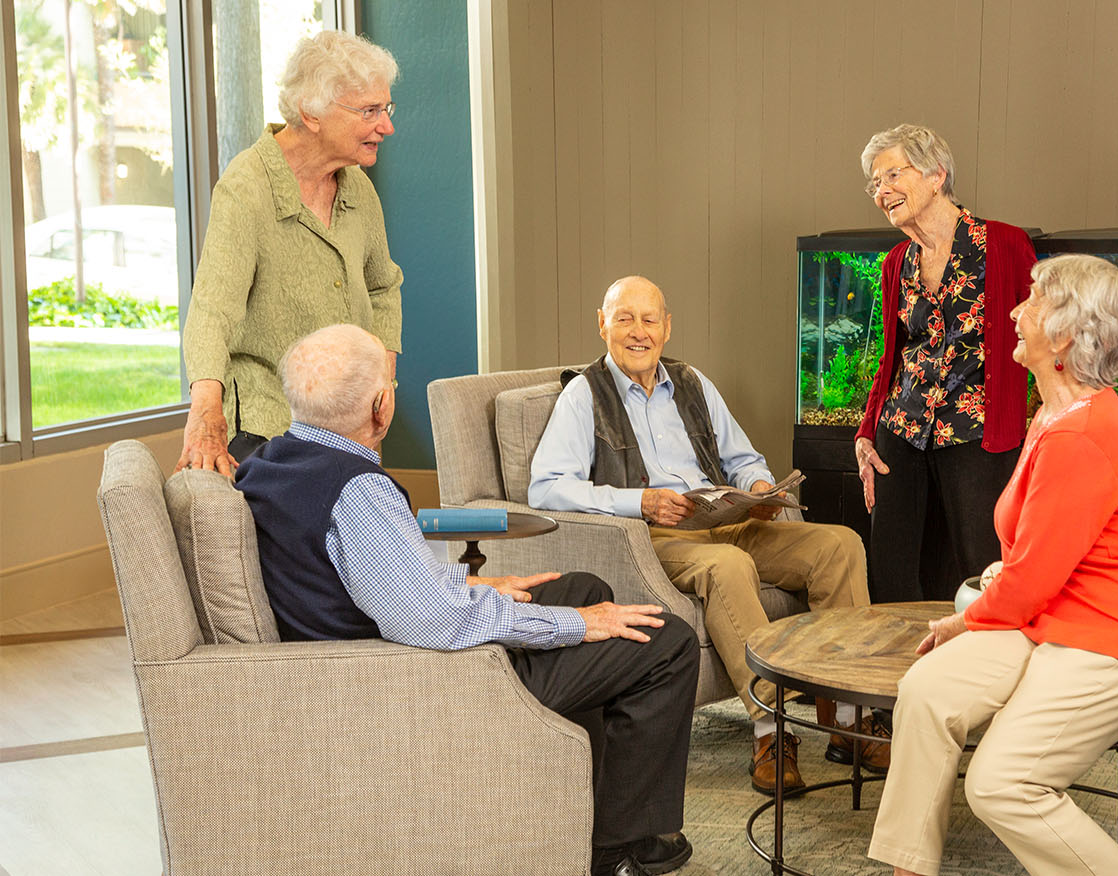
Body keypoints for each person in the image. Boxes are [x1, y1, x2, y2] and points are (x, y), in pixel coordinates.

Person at [235, 324, 698, 876]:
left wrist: (472, 586)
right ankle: (616, 848)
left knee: (584, 587)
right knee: (666, 639)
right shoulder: (357, 489)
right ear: (382, 406)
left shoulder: (270, 461)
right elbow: (434, 624)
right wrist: (573, 625)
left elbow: (367, 581)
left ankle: (581, 809)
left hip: (373, 657)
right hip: (420, 684)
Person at [866, 254, 1118, 876]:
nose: (1014, 313)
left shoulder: (1079, 434)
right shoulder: (1052, 414)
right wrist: (1001, 584)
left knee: (1000, 784)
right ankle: (906, 866)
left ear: (1066, 334)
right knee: (929, 690)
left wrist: (965, 621)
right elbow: (1041, 554)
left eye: (1033, 301)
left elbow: (1032, 579)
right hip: (1054, 612)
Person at [528, 276, 877, 796]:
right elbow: (546, 488)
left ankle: (848, 721)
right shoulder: (583, 395)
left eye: (649, 320)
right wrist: (639, 501)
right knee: (728, 568)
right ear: (602, 324)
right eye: (624, 318)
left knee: (838, 545)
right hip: (660, 538)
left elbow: (742, 459)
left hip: (728, 519)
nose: (638, 332)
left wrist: (759, 488)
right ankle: (770, 730)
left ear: (667, 328)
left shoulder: (692, 382)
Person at [178, 31, 405, 476]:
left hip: (352, 428)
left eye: (386, 108)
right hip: (272, 432)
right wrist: (206, 413)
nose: (387, 126)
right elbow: (211, 310)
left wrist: (383, 380)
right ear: (311, 113)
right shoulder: (248, 189)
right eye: (370, 111)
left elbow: (383, 286)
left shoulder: (356, 185)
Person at [854, 124, 1037, 603]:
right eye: (875, 183)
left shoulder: (1006, 246)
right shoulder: (896, 261)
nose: (882, 190)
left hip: (978, 433)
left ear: (937, 175)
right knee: (892, 578)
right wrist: (866, 432)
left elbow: (1042, 337)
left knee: (983, 573)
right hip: (902, 430)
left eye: (893, 174)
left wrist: (1046, 428)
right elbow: (891, 358)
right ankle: (896, 676)